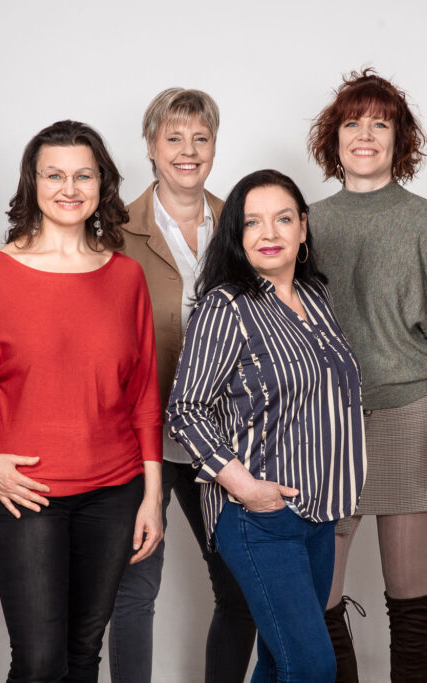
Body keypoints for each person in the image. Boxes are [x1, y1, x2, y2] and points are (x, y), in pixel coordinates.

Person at [0, 120, 164, 683]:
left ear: (102, 183)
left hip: (115, 492)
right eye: (54, 175)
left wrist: (152, 496)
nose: (70, 188)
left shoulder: (127, 277)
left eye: (84, 175)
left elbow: (143, 395)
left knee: (84, 654)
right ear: (32, 183)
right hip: (27, 494)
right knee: (38, 662)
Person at [166, 169, 366, 683]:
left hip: (320, 512)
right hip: (259, 516)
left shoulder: (315, 298)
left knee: (281, 663)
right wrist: (246, 488)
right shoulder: (224, 307)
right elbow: (185, 410)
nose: (269, 233)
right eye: (253, 222)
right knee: (312, 666)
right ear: (237, 234)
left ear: (303, 227)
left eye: (283, 219)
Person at [307, 69, 427, 681]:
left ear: (400, 139)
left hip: (411, 418)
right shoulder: (304, 222)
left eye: (380, 123)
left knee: (412, 594)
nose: (365, 135)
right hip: (326, 425)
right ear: (334, 139)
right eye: (352, 123)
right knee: (318, 600)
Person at [110, 88, 256, 683]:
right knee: (134, 590)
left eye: (200, 137)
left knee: (241, 590)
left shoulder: (244, 224)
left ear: (215, 145)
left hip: (222, 437)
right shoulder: (114, 231)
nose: (188, 150)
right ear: (151, 147)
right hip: (140, 437)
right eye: (174, 137)